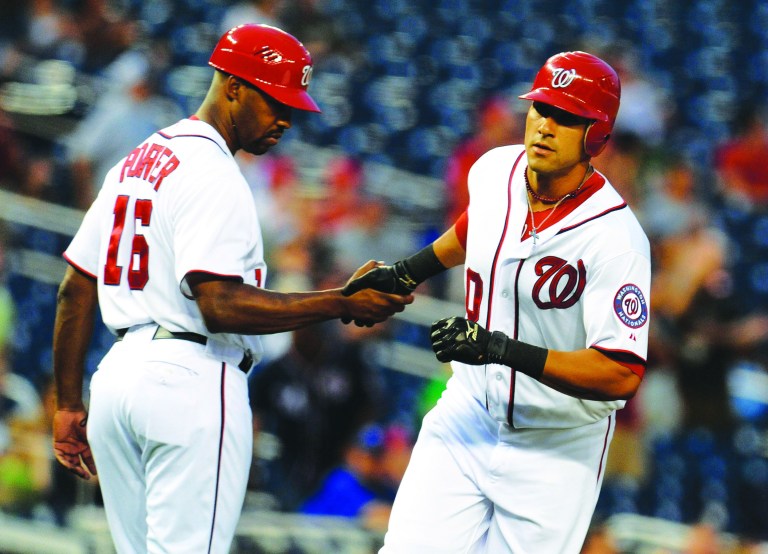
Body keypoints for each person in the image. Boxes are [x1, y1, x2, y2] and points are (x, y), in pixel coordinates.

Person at [51, 23, 412, 554]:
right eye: (275, 102)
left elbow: (75, 289)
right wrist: (340, 301)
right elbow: (219, 305)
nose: (286, 119)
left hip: (116, 383)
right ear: (234, 87)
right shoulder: (215, 173)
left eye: (292, 107)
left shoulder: (138, 161)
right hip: (189, 379)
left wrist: (67, 404)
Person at [344, 51, 651, 553]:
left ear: (596, 135)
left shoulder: (617, 240)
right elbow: (475, 228)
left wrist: (501, 349)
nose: (546, 125)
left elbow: (620, 372)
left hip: (556, 443)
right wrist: (405, 273)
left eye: (566, 117)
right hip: (469, 411)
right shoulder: (494, 171)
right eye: (541, 108)